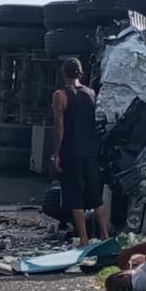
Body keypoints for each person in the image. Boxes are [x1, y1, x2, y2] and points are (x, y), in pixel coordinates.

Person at [52, 58, 109, 246]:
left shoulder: (60, 96)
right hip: (92, 151)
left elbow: (59, 126)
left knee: (75, 197)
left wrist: (57, 154)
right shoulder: (91, 93)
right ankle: (104, 236)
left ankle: (84, 239)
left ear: (63, 74)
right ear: (80, 73)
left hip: (72, 151)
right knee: (96, 197)